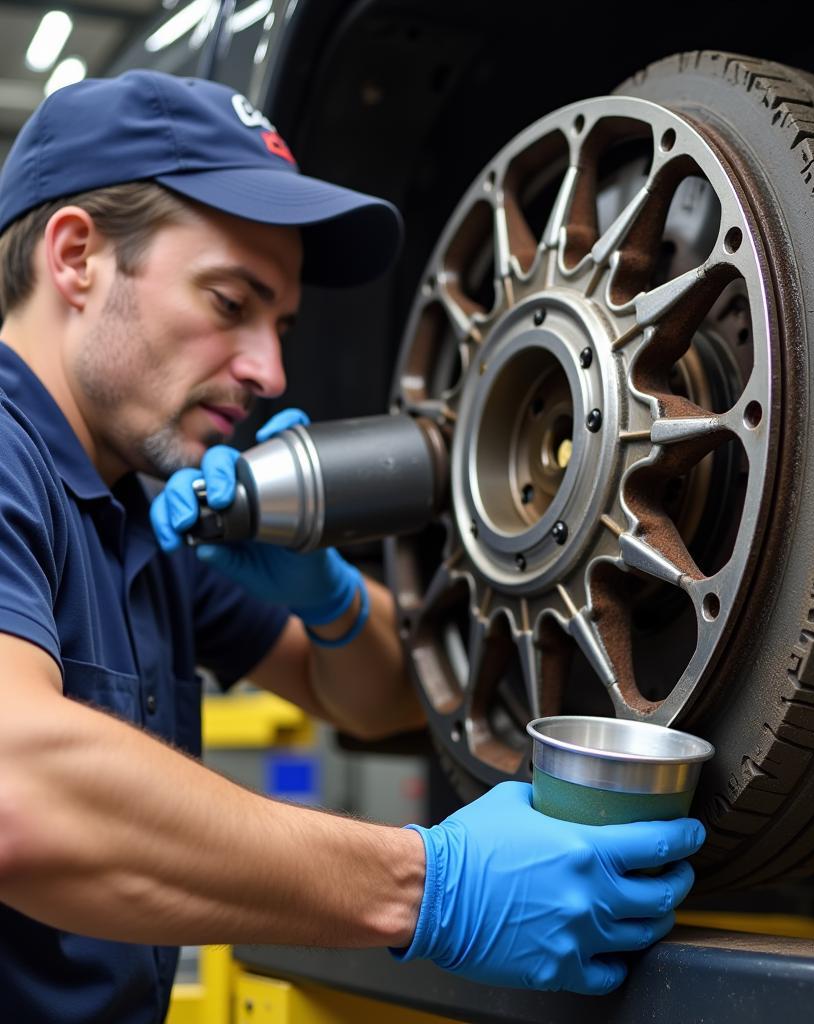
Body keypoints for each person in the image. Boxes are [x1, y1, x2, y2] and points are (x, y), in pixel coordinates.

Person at [0, 70, 705, 1022]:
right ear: (77, 256)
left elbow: (368, 697)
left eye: (280, 324)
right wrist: (426, 887)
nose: (270, 369)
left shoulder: (136, 514)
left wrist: (323, 595)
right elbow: (18, 794)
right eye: (229, 302)